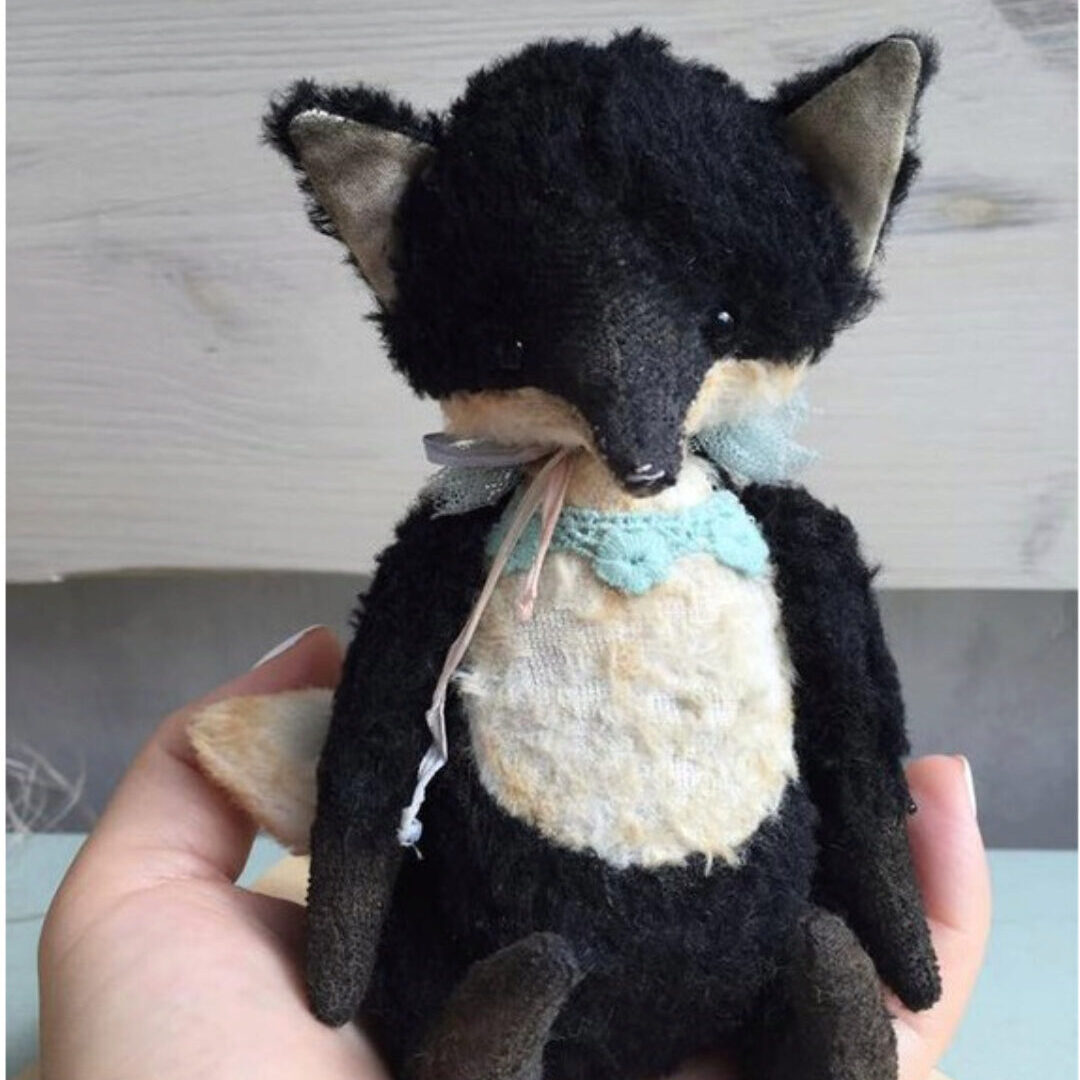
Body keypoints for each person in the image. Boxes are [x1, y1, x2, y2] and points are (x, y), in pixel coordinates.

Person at [38, 627, 990, 1080]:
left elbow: (844, 732)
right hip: (482, 945)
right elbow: (377, 745)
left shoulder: (762, 564)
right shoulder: (466, 570)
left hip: (731, 947)